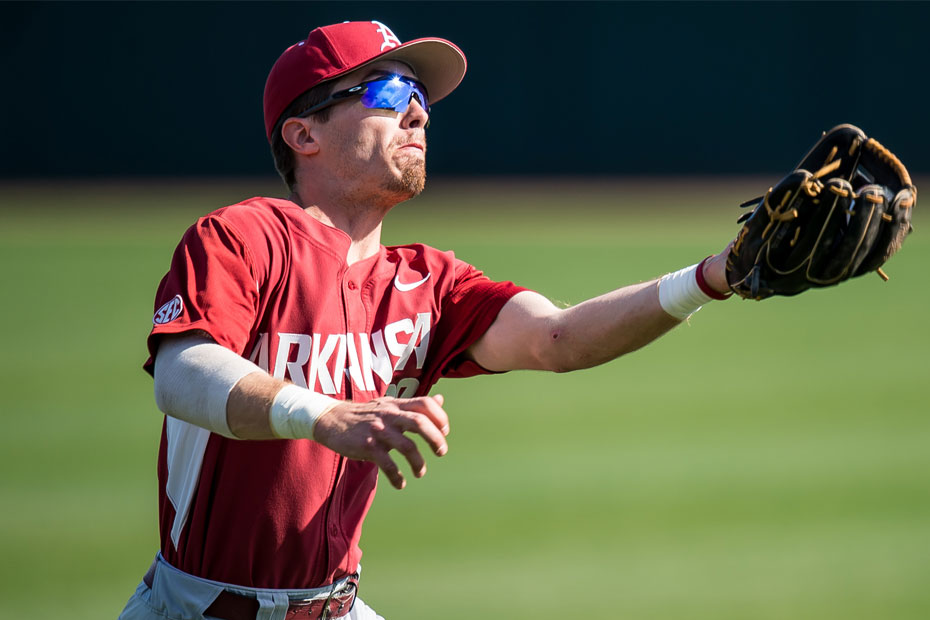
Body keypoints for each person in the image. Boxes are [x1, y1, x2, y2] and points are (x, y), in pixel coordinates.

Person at [119, 19, 733, 620]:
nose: (417, 114)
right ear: (304, 135)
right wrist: (321, 413)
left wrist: (716, 275)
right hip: (196, 608)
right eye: (388, 93)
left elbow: (558, 338)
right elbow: (180, 370)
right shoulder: (245, 237)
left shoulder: (427, 283)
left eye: (418, 97)